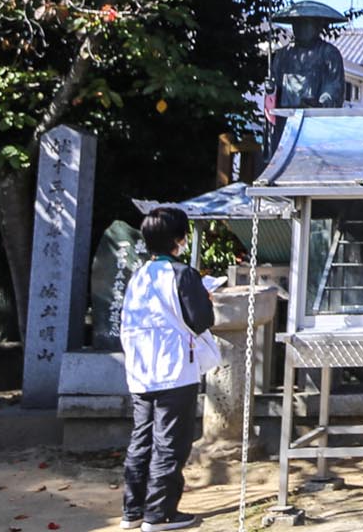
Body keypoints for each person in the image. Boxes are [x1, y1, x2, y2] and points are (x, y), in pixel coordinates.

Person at [118, 207, 214, 531]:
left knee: (141, 439)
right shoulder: (182, 274)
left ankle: (132, 510)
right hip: (174, 369)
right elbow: (201, 320)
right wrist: (207, 297)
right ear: (178, 238)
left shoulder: (138, 275)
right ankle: (159, 514)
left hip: (141, 370)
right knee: (170, 442)